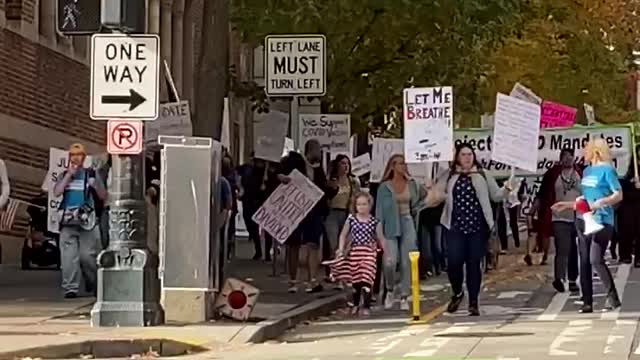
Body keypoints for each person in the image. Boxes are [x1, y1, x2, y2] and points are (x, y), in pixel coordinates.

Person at [430, 143, 511, 316]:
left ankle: (473, 301)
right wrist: (433, 189)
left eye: (470, 154)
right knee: (454, 262)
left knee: (474, 264)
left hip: (477, 227)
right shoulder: (449, 175)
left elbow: (496, 196)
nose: (467, 158)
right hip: (454, 226)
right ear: (457, 157)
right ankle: (457, 291)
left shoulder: (482, 174)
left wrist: (507, 189)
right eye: (463, 154)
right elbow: (434, 197)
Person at [552, 138, 623, 313]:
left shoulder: (607, 170)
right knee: (583, 261)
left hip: (602, 220)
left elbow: (618, 194)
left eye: (586, 148)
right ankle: (587, 302)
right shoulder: (587, 171)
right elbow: (585, 198)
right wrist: (567, 205)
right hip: (583, 218)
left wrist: (602, 202)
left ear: (595, 151)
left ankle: (612, 297)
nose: (583, 152)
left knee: (595, 259)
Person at [53, 143, 107, 298]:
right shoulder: (65, 174)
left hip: (87, 221)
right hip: (68, 220)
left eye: (78, 155)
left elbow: (103, 196)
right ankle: (70, 287)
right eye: (72, 155)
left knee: (87, 256)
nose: (75, 158)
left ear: (84, 158)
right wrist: (69, 175)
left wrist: (95, 186)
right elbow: (57, 192)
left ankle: (94, 282)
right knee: (68, 257)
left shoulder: (91, 174)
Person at [278, 140, 329, 293]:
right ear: (310, 150)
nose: (319, 154)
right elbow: (279, 174)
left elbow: (323, 190)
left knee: (312, 244)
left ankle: (311, 280)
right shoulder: (294, 162)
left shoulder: (319, 170)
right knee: (294, 244)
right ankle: (293, 280)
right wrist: (283, 178)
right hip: (295, 210)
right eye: (317, 150)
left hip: (313, 211)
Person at [376, 154, 426, 311]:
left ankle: (404, 295)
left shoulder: (412, 184)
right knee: (390, 262)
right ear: (392, 166)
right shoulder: (384, 187)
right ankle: (390, 290)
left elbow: (421, 201)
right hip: (390, 225)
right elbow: (379, 213)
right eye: (400, 164)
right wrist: (380, 235)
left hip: (407, 221)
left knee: (407, 261)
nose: (403, 166)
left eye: (405, 163)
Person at [329, 192, 386, 316]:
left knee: (367, 277)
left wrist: (386, 253)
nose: (361, 207)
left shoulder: (375, 222)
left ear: (370, 205)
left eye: (364, 204)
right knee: (356, 280)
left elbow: (381, 239)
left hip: (369, 253)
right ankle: (355, 304)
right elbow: (343, 234)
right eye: (359, 204)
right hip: (355, 252)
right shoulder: (351, 220)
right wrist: (340, 249)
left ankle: (366, 305)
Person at [536, 148, 582, 293]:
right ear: (561, 158)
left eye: (571, 156)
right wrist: (532, 211)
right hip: (559, 217)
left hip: (578, 216)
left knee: (574, 249)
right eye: (566, 156)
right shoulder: (553, 174)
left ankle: (573, 279)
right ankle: (559, 278)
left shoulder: (581, 172)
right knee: (563, 248)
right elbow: (542, 193)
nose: (569, 159)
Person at [325, 155, 361, 275]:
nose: (345, 166)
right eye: (342, 163)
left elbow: (357, 199)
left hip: (346, 214)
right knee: (334, 244)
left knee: (344, 245)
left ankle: (342, 274)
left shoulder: (353, 181)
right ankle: (333, 271)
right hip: (332, 214)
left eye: (347, 164)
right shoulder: (332, 179)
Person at [617, 145, 640, 267]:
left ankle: (638, 258)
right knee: (627, 229)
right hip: (627, 204)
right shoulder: (626, 169)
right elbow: (619, 184)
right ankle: (625, 255)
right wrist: (630, 182)